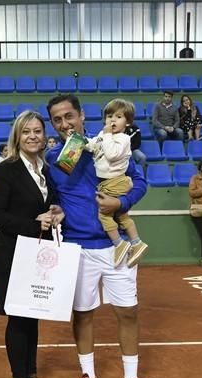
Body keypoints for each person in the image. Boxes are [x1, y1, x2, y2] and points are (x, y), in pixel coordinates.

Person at [46, 94, 153, 378]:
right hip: (77, 248)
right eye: (57, 120)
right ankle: (88, 377)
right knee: (83, 314)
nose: (65, 124)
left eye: (69, 117)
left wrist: (120, 203)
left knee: (128, 312)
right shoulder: (55, 158)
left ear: (81, 116)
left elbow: (140, 181)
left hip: (116, 245)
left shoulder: (110, 146)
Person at [0, 110, 63, 378]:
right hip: (14, 253)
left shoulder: (45, 169)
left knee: (33, 318)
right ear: (17, 136)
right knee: (18, 319)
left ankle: (32, 376)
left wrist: (56, 212)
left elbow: (50, 205)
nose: (33, 136)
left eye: (37, 131)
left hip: (39, 255)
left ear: (44, 136)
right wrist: (35, 224)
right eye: (26, 131)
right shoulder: (6, 169)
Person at [85, 98, 149, 267]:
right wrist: (80, 141)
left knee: (104, 214)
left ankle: (119, 243)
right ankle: (137, 242)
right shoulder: (103, 135)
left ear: (127, 122)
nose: (112, 120)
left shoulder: (123, 139)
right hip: (108, 182)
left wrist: (106, 135)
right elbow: (93, 146)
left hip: (115, 181)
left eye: (118, 117)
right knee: (121, 215)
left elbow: (112, 154)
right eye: (109, 116)